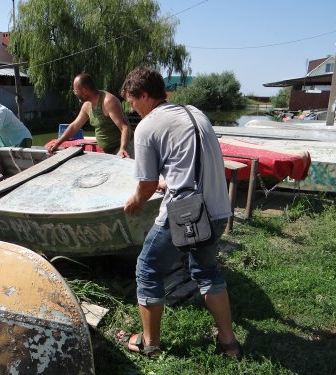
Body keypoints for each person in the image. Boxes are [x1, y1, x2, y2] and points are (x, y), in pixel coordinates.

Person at [117, 67, 241, 359]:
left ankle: (150, 345)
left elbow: (145, 185)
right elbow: (191, 161)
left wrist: (135, 201)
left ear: (144, 95)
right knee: (207, 271)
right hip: (219, 210)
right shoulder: (194, 112)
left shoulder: (147, 127)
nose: (132, 109)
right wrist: (168, 181)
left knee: (147, 270)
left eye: (132, 102)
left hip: (186, 215)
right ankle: (229, 344)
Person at [45, 73, 133, 158]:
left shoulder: (108, 102)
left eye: (75, 90)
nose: (74, 93)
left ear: (84, 91)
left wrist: (122, 148)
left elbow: (124, 128)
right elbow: (74, 126)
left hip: (125, 148)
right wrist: (57, 143)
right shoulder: (87, 105)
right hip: (109, 151)